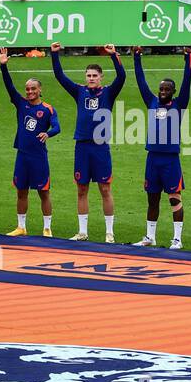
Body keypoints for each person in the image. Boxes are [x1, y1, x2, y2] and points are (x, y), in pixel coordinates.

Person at [50, 42, 126, 242]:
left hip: (100, 147)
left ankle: (109, 232)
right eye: (89, 75)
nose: (91, 78)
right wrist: (55, 54)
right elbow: (60, 77)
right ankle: (83, 232)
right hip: (82, 146)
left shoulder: (108, 92)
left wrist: (113, 55)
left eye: (94, 76)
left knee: (105, 189)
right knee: (81, 188)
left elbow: (122, 77)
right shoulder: (79, 91)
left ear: (101, 77)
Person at [131, 47, 191, 249]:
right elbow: (141, 82)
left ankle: (178, 239)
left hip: (170, 160)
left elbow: (186, 84)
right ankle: (150, 237)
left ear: (173, 92)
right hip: (153, 159)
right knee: (152, 199)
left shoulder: (179, 104)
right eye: (161, 89)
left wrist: (188, 60)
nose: (163, 91)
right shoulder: (152, 102)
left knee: (174, 199)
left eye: (167, 89)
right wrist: (137, 58)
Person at [0, 48, 60, 237]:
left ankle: (47, 228)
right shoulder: (21, 104)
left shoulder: (48, 109)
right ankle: (21, 227)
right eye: (27, 89)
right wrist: (3, 66)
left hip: (39, 157)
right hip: (23, 155)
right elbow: (9, 86)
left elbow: (57, 127)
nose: (30, 91)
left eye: (33, 89)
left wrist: (48, 134)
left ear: (40, 90)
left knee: (43, 192)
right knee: (21, 191)